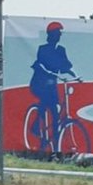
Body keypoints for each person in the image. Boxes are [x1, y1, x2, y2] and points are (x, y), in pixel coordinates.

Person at [28, 22, 75, 153]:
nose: (59, 35)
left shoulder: (61, 50)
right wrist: (50, 73)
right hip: (39, 83)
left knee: (56, 112)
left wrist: (76, 76)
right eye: (58, 32)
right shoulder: (42, 49)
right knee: (49, 104)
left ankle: (54, 144)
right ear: (51, 34)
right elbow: (40, 65)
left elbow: (66, 67)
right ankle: (37, 127)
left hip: (52, 85)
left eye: (60, 33)